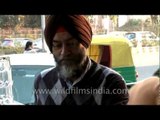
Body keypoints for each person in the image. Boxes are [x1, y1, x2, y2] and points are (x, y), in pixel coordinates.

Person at [34, 15, 129, 105]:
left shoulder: (111, 82)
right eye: (57, 45)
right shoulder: (43, 81)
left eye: (71, 44)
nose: (64, 52)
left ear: (85, 44)